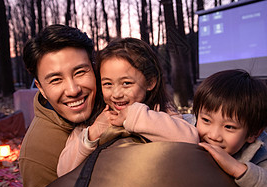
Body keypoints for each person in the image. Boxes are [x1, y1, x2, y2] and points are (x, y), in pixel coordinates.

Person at [57, 38, 199, 176]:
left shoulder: (160, 110)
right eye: (107, 84)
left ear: (150, 82)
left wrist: (133, 115)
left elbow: (190, 139)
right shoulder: (94, 119)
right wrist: (93, 132)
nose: (116, 94)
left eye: (126, 83)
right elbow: (63, 170)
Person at [19, 24, 106, 187]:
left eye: (80, 72)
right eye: (56, 80)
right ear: (41, 88)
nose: (73, 90)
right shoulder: (37, 154)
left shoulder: (114, 101)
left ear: (94, 68)